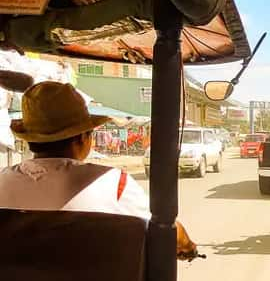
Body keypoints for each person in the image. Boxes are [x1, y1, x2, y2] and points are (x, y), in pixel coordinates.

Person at [0, 81, 197, 259]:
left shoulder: (3, 181)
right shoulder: (113, 184)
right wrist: (187, 246)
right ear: (82, 137)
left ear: (30, 139)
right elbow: (168, 232)